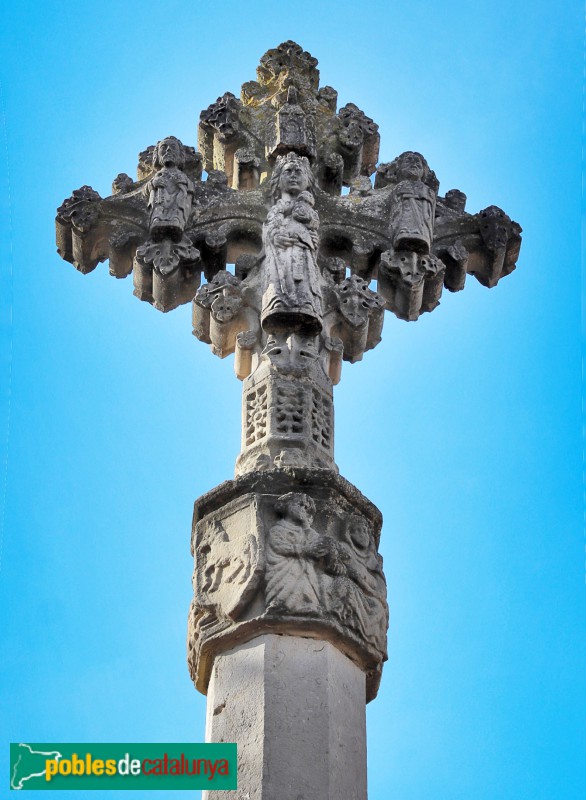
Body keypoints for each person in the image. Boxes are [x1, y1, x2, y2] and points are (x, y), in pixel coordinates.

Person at [261, 153, 323, 332]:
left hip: (303, 254)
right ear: (278, 179)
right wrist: (274, 236)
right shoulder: (276, 210)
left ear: (308, 180)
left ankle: (306, 305)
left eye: (298, 171)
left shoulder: (309, 210)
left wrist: (311, 240)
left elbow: (312, 229)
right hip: (280, 255)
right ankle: (277, 303)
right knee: (278, 286)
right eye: (288, 171)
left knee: (305, 285)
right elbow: (269, 228)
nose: (293, 175)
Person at [144, 137, 194, 241]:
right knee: (157, 202)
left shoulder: (181, 175)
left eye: (173, 147)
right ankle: (156, 220)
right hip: (161, 197)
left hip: (177, 197)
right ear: (157, 155)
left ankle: (177, 220)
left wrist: (183, 183)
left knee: (180, 202)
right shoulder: (159, 174)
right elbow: (146, 190)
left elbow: (191, 188)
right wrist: (154, 183)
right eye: (164, 147)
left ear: (180, 154)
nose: (168, 150)